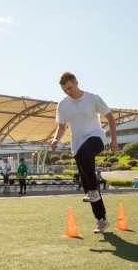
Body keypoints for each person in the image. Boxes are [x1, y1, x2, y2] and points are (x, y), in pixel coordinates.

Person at [50, 71, 118, 234]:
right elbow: (62, 127)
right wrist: (55, 139)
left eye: (70, 88)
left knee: (84, 157)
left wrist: (114, 140)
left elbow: (110, 117)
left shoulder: (92, 98)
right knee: (87, 185)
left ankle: (94, 192)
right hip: (78, 146)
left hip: (96, 138)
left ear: (76, 83)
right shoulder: (63, 104)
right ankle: (102, 220)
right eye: (65, 90)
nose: (68, 92)